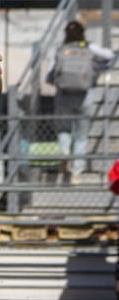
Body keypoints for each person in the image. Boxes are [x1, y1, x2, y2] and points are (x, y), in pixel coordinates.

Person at [47, 20, 116, 182]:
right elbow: (110, 56)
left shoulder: (61, 49)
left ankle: (64, 152)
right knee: (81, 135)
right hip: (85, 95)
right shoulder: (89, 47)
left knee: (64, 128)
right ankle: (77, 172)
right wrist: (96, 68)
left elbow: (50, 75)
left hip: (63, 95)